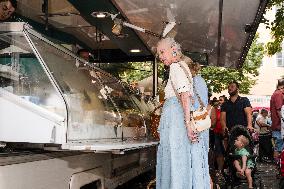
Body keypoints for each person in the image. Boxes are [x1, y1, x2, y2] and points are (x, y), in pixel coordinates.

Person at [156, 37, 210, 189]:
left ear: (173, 49)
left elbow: (185, 95)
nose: (160, 56)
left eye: (162, 51)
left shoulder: (175, 67)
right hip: (179, 120)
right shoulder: (183, 66)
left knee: (176, 159)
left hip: (176, 122)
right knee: (184, 159)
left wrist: (187, 124)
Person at [270, 79, 284, 162]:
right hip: (279, 126)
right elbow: (279, 110)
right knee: (279, 147)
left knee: (278, 147)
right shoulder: (278, 94)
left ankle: (279, 166)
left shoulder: (276, 93)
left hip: (278, 126)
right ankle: (279, 166)